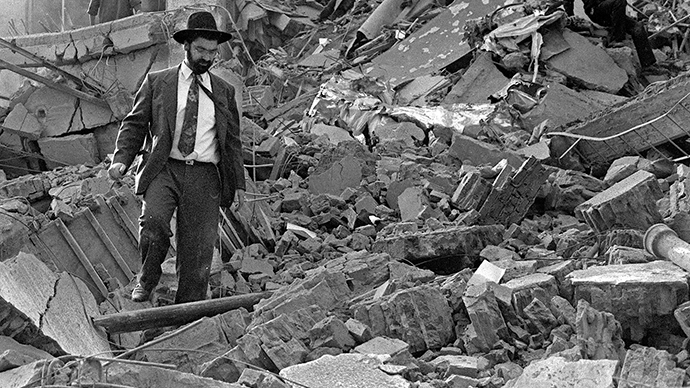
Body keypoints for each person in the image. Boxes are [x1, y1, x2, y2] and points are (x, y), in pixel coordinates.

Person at [108, 11, 246, 304]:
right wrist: (121, 158)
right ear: (186, 46)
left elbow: (232, 142)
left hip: (205, 176)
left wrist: (240, 186)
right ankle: (146, 279)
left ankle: (189, 311)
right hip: (164, 168)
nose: (207, 57)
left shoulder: (223, 91)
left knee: (198, 250)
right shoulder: (159, 82)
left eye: (212, 52)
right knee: (154, 222)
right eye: (201, 50)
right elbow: (135, 124)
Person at [562, 0, 656, 68]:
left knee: (638, 27)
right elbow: (567, 2)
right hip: (596, 10)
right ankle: (616, 39)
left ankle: (648, 64)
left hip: (612, 8)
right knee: (619, 2)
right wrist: (571, 18)